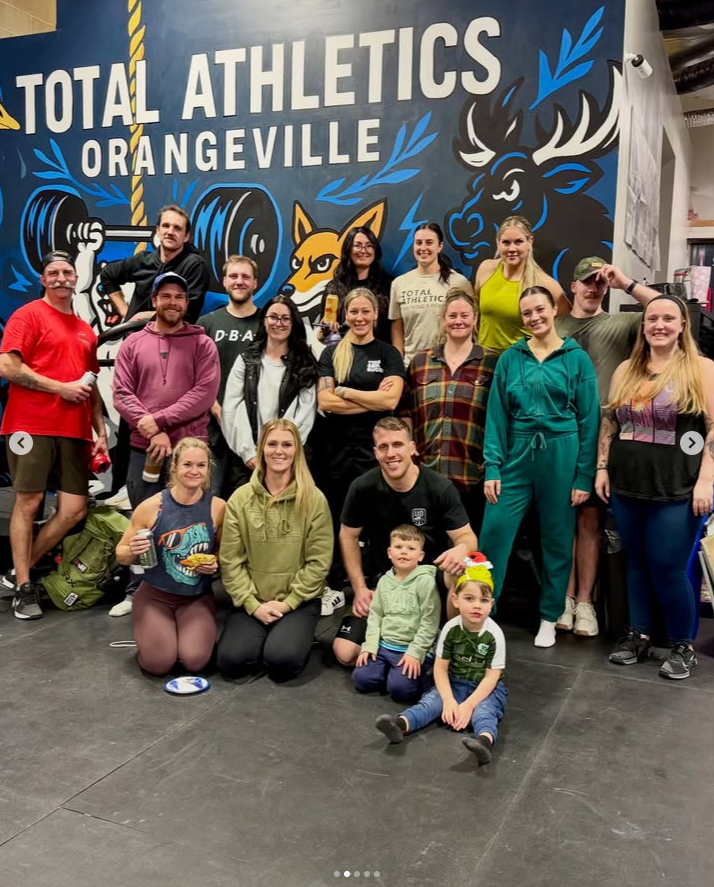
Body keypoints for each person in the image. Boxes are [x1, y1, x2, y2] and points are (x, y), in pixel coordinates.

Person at [595, 295, 714, 680]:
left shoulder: (702, 369)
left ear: (682, 325)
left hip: (677, 488)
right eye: (652, 319)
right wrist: (602, 468)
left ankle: (682, 643)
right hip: (627, 486)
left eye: (668, 318)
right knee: (636, 562)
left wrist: (707, 480)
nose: (658, 325)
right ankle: (639, 634)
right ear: (643, 326)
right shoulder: (627, 369)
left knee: (667, 566)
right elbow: (611, 424)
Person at [478, 286, 599, 648]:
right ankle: (483, 613)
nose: (534, 317)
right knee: (493, 535)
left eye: (540, 310)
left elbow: (590, 421)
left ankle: (549, 616)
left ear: (553, 311)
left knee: (558, 539)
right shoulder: (510, 359)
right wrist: (493, 467)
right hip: (516, 451)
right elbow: (496, 416)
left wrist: (583, 475)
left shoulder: (576, 358)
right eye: (527, 313)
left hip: (562, 453)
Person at [0, 250, 110, 620]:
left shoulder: (84, 330)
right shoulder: (28, 315)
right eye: (54, 272)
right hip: (30, 425)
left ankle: (20, 571)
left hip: (74, 431)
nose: (62, 277)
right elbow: (8, 367)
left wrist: (100, 431)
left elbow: (91, 386)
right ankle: (25, 589)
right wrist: (59, 388)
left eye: (67, 272)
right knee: (28, 503)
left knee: (73, 510)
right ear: (44, 279)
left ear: (75, 278)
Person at [555, 258, 659, 637]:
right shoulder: (556, 325)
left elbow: (665, 310)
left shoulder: (619, 322)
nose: (593, 288)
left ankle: (585, 602)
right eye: (587, 282)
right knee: (560, 520)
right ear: (573, 285)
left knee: (590, 520)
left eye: (599, 282)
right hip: (560, 434)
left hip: (603, 436)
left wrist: (624, 282)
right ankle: (562, 600)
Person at [111, 271, 220, 615]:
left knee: (190, 522)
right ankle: (136, 589)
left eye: (179, 297)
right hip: (144, 449)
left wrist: (158, 421)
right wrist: (150, 429)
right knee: (142, 521)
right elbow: (121, 394)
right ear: (154, 300)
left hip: (190, 451)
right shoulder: (132, 344)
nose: (172, 302)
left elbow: (203, 394)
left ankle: (193, 586)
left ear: (187, 304)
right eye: (166, 296)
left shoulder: (202, 344)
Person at [335, 417, 479, 667]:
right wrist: (359, 589)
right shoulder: (362, 487)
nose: (391, 453)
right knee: (345, 653)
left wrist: (461, 549)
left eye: (398, 445)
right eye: (383, 447)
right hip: (385, 582)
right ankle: (397, 640)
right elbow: (348, 535)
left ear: (412, 447)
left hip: (429, 583)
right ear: (375, 452)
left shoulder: (438, 487)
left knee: (461, 569)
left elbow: (467, 537)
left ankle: (448, 642)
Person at [217, 418, 333, 680]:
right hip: (253, 599)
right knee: (231, 662)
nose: (279, 451)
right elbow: (231, 560)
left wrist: (288, 604)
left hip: (298, 601)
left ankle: (290, 634)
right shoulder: (240, 499)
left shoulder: (314, 499)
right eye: (272, 444)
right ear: (261, 449)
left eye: (287, 444)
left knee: (282, 661)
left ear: (296, 451)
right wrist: (252, 604)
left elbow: (319, 562)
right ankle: (267, 633)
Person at [374, 554, 506, 767]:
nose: (477, 606)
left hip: (483, 688)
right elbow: (441, 668)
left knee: (485, 712)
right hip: (452, 683)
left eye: (483, 600)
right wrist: (449, 700)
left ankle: (484, 742)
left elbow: (492, 677)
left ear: (491, 604)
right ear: (455, 599)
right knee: (429, 703)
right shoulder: (450, 629)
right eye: (469, 599)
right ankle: (400, 724)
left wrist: (469, 704)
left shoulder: (494, 634)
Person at [317, 288, 405, 593]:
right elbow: (326, 401)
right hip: (336, 449)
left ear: (376, 315)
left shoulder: (388, 354)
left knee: (380, 515)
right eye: (353, 312)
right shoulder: (331, 354)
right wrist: (372, 398)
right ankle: (336, 585)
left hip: (376, 449)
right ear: (345, 316)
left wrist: (348, 392)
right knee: (339, 516)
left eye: (365, 311)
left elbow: (390, 400)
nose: (359, 318)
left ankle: (379, 581)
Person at [115, 438, 225, 676]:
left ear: (208, 469)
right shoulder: (151, 506)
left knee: (195, 661)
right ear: (174, 466)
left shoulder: (218, 508)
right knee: (159, 664)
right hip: (155, 596)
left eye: (201, 465)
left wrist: (215, 562)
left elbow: (224, 554)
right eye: (187, 464)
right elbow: (121, 555)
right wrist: (133, 551)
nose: (194, 471)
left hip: (196, 597)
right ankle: (154, 637)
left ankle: (175, 635)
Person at [400, 288, 498, 532]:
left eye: (465, 315)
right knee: (423, 548)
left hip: (471, 475)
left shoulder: (492, 362)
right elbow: (405, 413)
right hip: (426, 474)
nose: (458, 321)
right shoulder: (421, 362)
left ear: (475, 319)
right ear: (443, 320)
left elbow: (500, 418)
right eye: (452, 316)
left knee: (469, 553)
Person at [221, 294, 318, 482]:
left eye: (285, 318)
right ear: (264, 320)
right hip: (248, 462)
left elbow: (306, 414)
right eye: (273, 317)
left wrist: (282, 452)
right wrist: (249, 453)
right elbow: (231, 409)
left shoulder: (305, 364)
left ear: (293, 323)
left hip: (290, 462)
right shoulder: (246, 360)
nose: (278, 323)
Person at [353, 524, 440, 702]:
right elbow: (376, 616)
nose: (404, 552)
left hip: (410, 648)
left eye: (411, 548)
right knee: (361, 680)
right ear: (389, 552)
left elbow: (430, 622)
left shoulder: (425, 582)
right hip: (385, 646)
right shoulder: (384, 581)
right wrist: (370, 645)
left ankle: (423, 677)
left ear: (421, 556)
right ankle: (392, 673)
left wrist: (415, 653)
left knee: (402, 692)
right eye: (399, 547)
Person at [197, 256, 261, 497]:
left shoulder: (268, 324)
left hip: (255, 434)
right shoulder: (207, 323)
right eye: (234, 276)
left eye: (246, 277)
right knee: (208, 501)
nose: (239, 281)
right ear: (224, 281)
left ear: (255, 282)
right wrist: (216, 408)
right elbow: (195, 376)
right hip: (213, 432)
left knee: (249, 506)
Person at [100, 204, 210, 324]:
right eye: (166, 226)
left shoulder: (195, 266)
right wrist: (126, 312)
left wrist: (143, 317)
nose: (170, 232)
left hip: (173, 340)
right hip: (135, 338)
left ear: (186, 236)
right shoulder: (142, 260)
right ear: (158, 231)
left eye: (177, 228)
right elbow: (107, 275)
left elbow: (188, 314)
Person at [475, 215, 569, 353]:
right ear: (498, 243)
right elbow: (475, 309)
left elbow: (569, 321)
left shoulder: (544, 283)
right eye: (506, 242)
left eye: (518, 242)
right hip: (484, 360)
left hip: (521, 363)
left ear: (529, 242)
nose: (512, 249)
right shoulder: (486, 269)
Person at [389, 222, 474, 365]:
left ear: (440, 246)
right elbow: (397, 329)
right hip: (412, 365)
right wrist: (398, 364)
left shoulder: (459, 282)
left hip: (448, 364)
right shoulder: (399, 284)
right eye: (418, 243)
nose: (423, 248)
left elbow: (470, 324)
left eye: (429, 243)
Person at [316, 226, 393, 344]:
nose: (363, 250)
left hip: (380, 355)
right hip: (344, 354)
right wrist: (325, 330)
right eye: (357, 245)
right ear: (348, 249)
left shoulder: (389, 285)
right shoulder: (334, 288)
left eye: (369, 246)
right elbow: (324, 333)